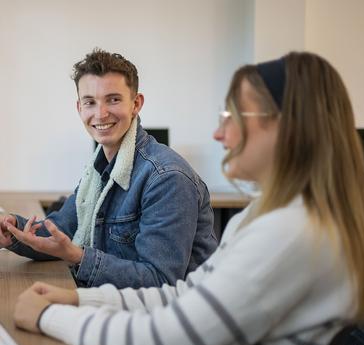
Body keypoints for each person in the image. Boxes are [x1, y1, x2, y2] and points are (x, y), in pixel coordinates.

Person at [13, 52, 364, 345]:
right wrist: (76, 298)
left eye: (232, 116)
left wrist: (49, 316)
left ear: (288, 127)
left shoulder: (289, 233)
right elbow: (182, 295)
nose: (219, 135)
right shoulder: (264, 216)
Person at [0, 49, 217, 289]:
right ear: (79, 108)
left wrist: (78, 257)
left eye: (113, 99)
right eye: (90, 102)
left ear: (136, 104)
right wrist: (12, 230)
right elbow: (62, 232)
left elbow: (160, 282)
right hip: (115, 306)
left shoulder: (167, 178)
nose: (100, 113)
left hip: (165, 319)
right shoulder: (98, 170)